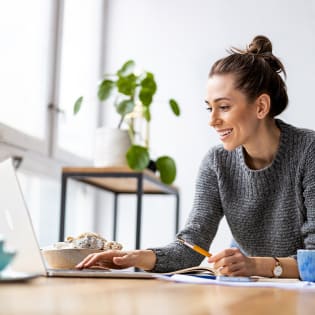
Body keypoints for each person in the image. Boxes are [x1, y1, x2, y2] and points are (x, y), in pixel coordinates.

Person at [76, 35, 315, 278]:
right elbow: (191, 247)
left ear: (261, 106)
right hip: (248, 288)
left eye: (223, 107)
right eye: (209, 108)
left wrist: (257, 265)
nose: (212, 120)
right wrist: (135, 257)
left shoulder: (309, 151)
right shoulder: (216, 163)